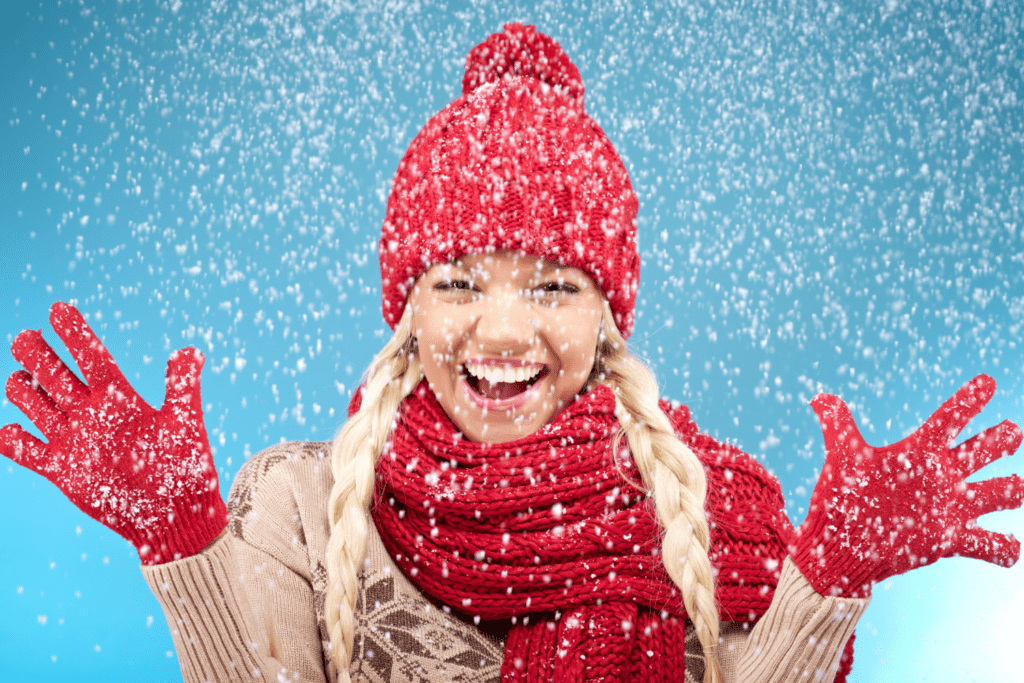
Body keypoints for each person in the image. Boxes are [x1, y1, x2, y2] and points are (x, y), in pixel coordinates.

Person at [2, 24, 1021, 683]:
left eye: (551, 286)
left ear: (606, 314)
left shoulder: (706, 517)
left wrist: (829, 576)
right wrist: (182, 545)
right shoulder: (298, 504)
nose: (500, 332)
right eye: (456, 282)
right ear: (406, 306)